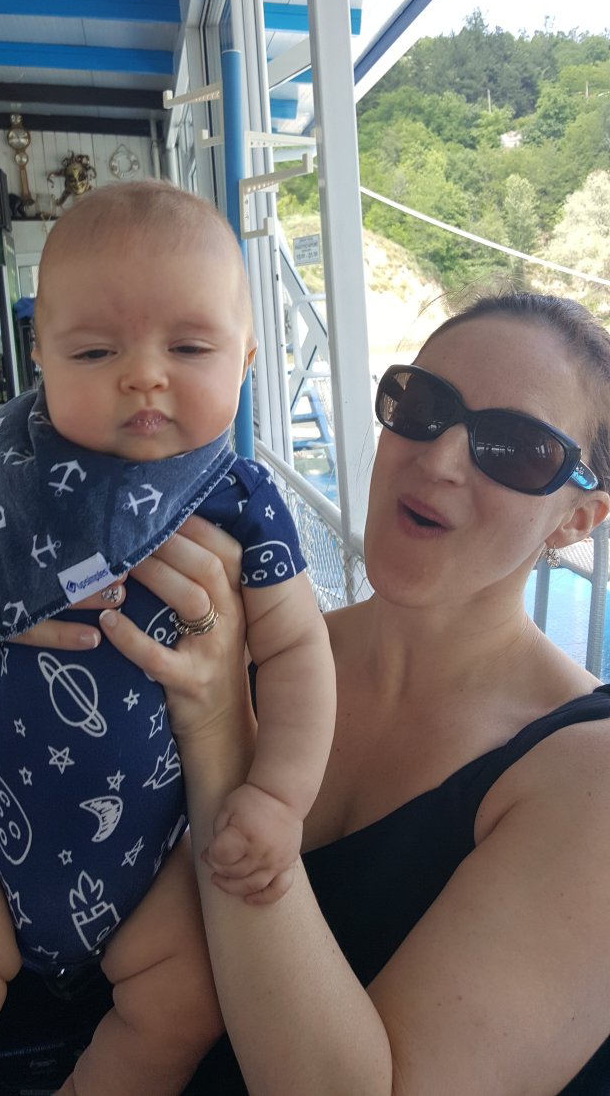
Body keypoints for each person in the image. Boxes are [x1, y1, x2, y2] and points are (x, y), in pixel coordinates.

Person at [0, 180, 334, 1095]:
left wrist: (279, 796)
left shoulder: (241, 503)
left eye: (188, 347)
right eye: (94, 350)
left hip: (156, 853)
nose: (144, 374)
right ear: (39, 355)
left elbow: (298, 653)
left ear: (246, 355)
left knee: (182, 1007)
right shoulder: (8, 464)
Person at [99, 290, 610, 1094]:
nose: (439, 458)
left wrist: (219, 727)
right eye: (423, 405)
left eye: (515, 448)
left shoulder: (586, 776)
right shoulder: (242, 644)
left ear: (577, 520)